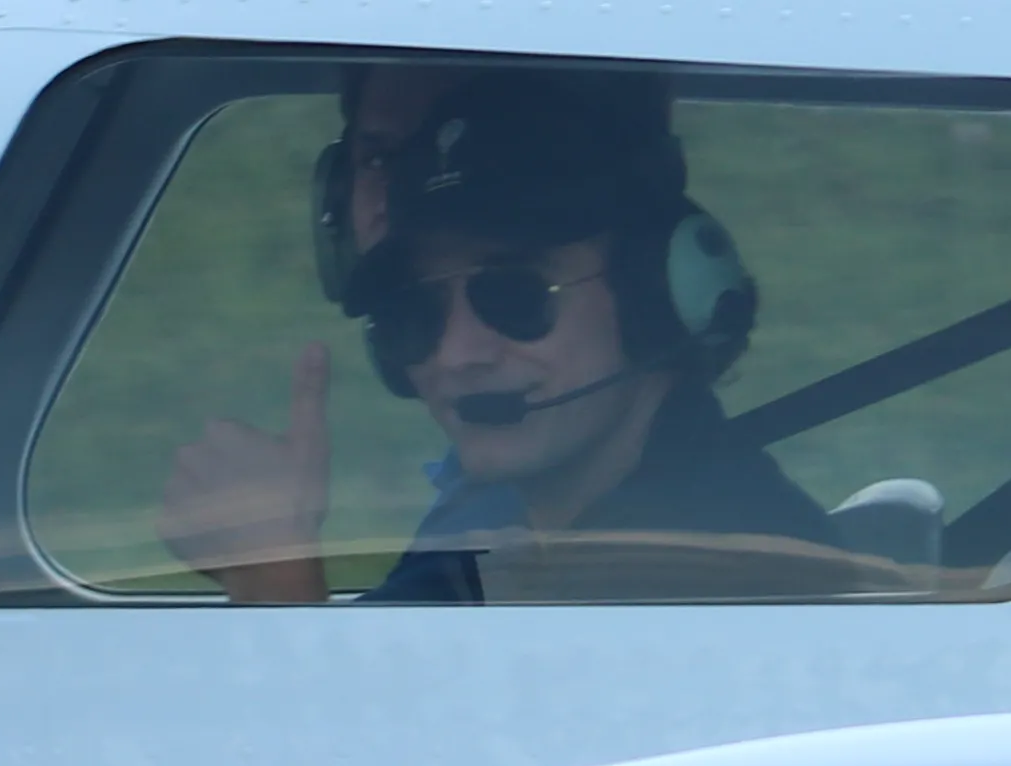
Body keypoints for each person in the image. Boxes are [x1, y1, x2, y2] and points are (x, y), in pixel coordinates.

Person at [153, 67, 862, 605]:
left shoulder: (704, 572)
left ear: (656, 294)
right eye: (416, 315)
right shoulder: (517, 532)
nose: (459, 354)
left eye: (516, 295)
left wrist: (275, 574)